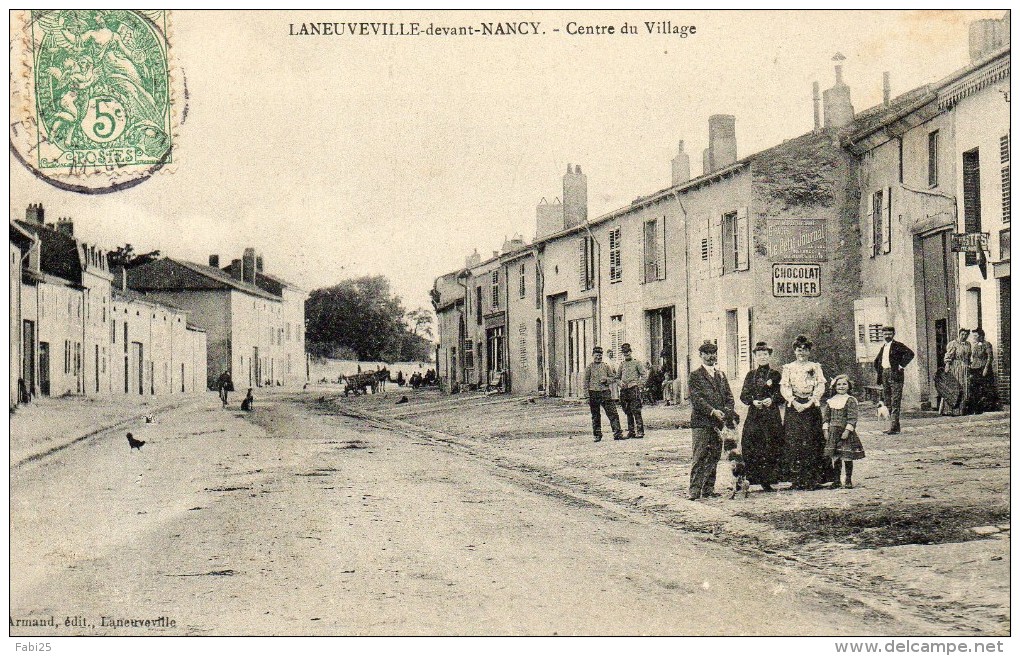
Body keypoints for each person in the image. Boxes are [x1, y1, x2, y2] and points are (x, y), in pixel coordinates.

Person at [687, 341, 735, 500]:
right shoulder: (695, 375)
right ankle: (694, 490)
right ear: (700, 356)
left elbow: (729, 396)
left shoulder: (720, 375)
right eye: (706, 353)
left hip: (718, 423)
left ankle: (708, 489)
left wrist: (727, 411)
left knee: (714, 454)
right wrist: (712, 411)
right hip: (702, 422)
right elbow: (696, 398)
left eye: (713, 352)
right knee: (700, 455)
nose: (710, 356)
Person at [781, 335, 828, 490]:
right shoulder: (788, 368)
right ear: (794, 351)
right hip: (793, 408)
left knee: (812, 441)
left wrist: (809, 403)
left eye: (805, 350)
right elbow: (785, 387)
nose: (801, 353)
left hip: (810, 407)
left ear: (809, 351)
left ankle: (812, 479)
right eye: (798, 350)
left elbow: (820, 387)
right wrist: (794, 401)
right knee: (794, 442)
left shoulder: (815, 367)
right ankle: (797, 479)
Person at [738, 341, 784, 492]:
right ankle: (751, 478)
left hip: (771, 415)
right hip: (755, 415)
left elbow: (782, 394)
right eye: (759, 355)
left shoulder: (776, 375)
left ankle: (769, 479)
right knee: (752, 443)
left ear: (769, 356)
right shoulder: (751, 375)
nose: (762, 357)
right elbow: (743, 395)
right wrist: (753, 401)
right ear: (755, 357)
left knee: (771, 443)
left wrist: (772, 399)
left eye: (765, 354)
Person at [822, 374, 864, 489]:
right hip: (833, 432)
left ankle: (848, 479)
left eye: (844, 384)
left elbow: (852, 418)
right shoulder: (831, 401)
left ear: (849, 386)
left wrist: (847, 430)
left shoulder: (850, 400)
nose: (841, 386)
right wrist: (826, 430)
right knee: (835, 457)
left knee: (847, 456)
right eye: (838, 384)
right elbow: (826, 418)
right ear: (834, 386)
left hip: (845, 432)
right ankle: (836, 480)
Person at [873, 326, 914, 434]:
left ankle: (893, 426)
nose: (887, 336)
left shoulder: (898, 346)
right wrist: (880, 372)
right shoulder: (884, 347)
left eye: (889, 334)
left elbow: (910, 354)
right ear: (882, 335)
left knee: (895, 401)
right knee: (888, 401)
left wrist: (901, 365)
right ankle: (895, 426)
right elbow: (876, 361)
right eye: (885, 334)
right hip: (885, 374)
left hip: (895, 375)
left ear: (893, 334)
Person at [583, 346, 624, 443]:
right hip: (593, 393)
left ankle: (617, 433)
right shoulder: (589, 368)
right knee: (595, 415)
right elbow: (585, 383)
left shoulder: (606, 366)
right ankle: (597, 435)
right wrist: (587, 396)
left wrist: (606, 380)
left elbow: (613, 378)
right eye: (596, 355)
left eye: (600, 356)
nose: (598, 357)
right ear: (593, 355)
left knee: (612, 413)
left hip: (605, 392)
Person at [618, 343, 648, 439]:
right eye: (624, 352)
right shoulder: (622, 364)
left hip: (633, 389)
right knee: (627, 411)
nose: (626, 354)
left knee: (636, 410)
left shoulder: (637, 363)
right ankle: (631, 431)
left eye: (627, 352)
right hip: (624, 390)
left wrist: (639, 384)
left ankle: (640, 431)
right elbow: (617, 377)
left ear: (631, 352)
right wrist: (620, 383)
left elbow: (644, 375)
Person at [942, 328, 971, 415]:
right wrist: (947, 366)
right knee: (955, 388)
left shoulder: (968, 344)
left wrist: (969, 365)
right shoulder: (953, 344)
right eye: (962, 334)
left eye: (966, 335)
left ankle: (961, 410)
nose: (964, 336)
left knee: (964, 388)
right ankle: (951, 410)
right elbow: (948, 356)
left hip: (965, 369)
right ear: (959, 334)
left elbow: (969, 357)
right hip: (956, 368)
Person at [968, 328, 995, 414]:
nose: (974, 337)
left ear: (981, 336)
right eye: (974, 336)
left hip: (983, 369)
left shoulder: (987, 344)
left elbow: (990, 357)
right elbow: (973, 357)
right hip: (975, 369)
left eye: (976, 335)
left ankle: (985, 407)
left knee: (984, 389)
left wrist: (986, 369)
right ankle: (976, 408)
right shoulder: (975, 345)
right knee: (975, 388)